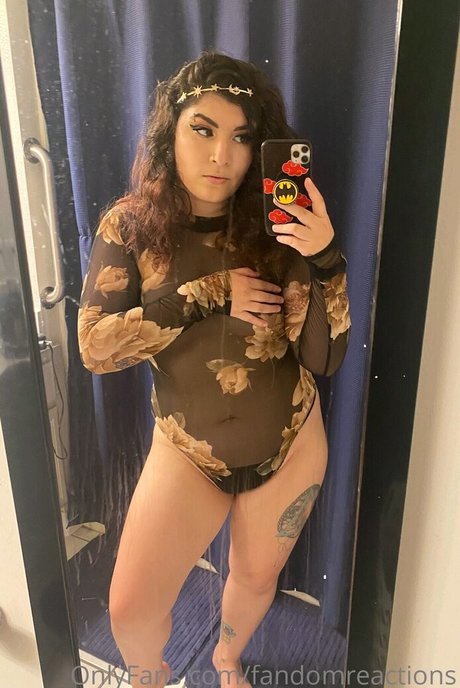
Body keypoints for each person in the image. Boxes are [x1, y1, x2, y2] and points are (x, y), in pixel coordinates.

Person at [77, 51, 351, 688]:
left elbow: (325, 359)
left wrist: (326, 259)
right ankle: (149, 676)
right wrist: (213, 292)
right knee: (129, 608)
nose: (221, 154)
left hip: (288, 442)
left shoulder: (278, 227)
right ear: (170, 132)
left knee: (254, 578)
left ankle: (228, 660)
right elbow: (95, 350)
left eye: (242, 137)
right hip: (188, 449)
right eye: (202, 129)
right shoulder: (131, 226)